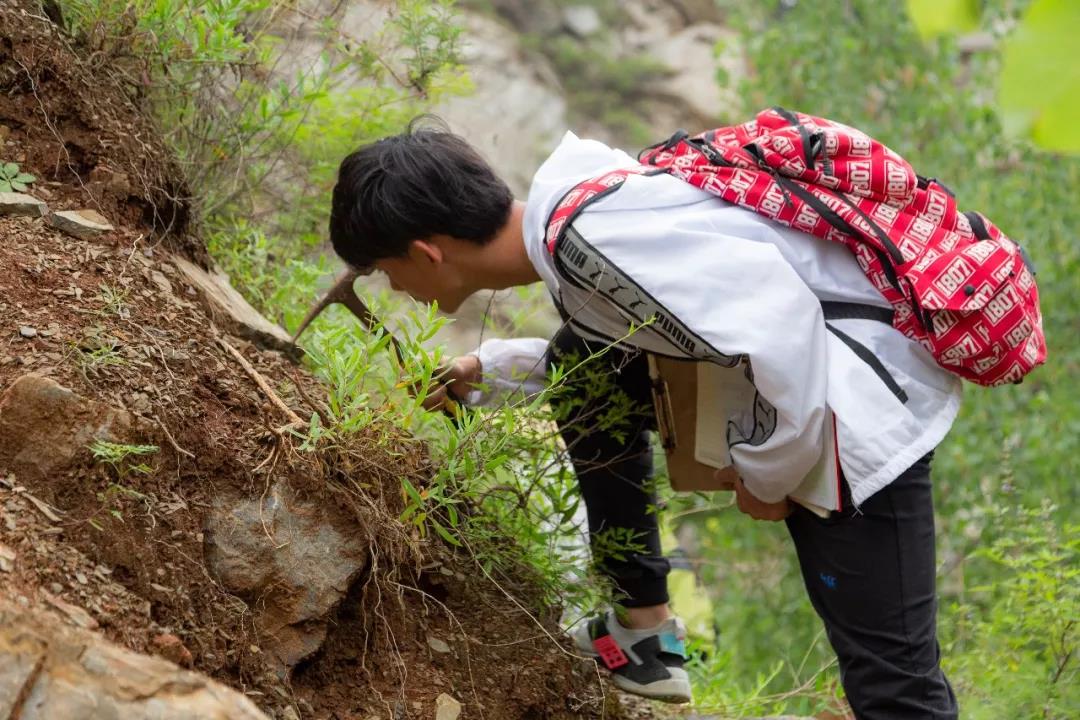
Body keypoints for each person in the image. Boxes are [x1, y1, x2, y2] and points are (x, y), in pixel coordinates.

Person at [328, 119, 961, 718]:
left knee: (893, 683)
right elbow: (628, 347)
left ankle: (645, 628)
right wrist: (487, 371)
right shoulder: (581, 218)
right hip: (818, 400)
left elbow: (782, 335)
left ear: (426, 253)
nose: (395, 288)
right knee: (583, 359)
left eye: (386, 272)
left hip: (858, 414)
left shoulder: (591, 240)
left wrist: (767, 477)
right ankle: (643, 629)